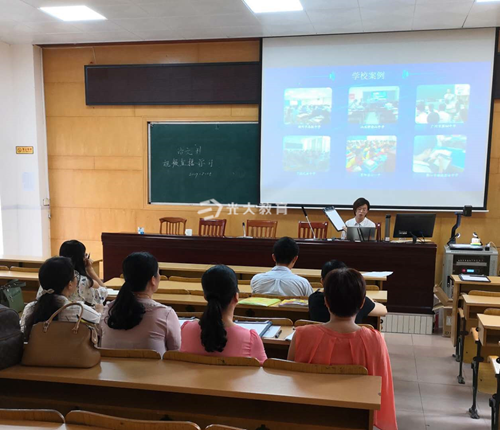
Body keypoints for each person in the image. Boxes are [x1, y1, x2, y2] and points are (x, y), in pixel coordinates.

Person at [288, 268, 397, 430]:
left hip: (307, 417)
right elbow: (382, 387)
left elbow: (289, 380)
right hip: (356, 419)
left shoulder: (301, 335)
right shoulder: (375, 339)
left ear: (326, 302)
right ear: (362, 304)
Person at [181, 265, 267, 364]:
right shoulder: (250, 338)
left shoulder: (185, 330)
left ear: (205, 296)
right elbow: (264, 370)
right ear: (236, 296)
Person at [100, 252, 181, 355]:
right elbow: (175, 352)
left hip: (109, 366)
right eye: (158, 273)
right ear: (153, 280)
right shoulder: (165, 314)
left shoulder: (108, 309)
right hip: (153, 366)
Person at [21, 257, 101, 341]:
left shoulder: (29, 308)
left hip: (37, 349)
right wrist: (100, 309)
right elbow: (100, 322)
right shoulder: (78, 309)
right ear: (70, 284)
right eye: (75, 276)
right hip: (69, 349)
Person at [309, 260, 387, 323]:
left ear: (322, 281)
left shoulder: (313, 299)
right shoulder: (355, 299)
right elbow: (383, 310)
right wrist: (368, 299)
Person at [35, 240, 107, 306]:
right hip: (77, 315)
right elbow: (104, 292)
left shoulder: (49, 278)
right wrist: (90, 269)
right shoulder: (84, 281)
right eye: (85, 255)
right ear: (82, 259)